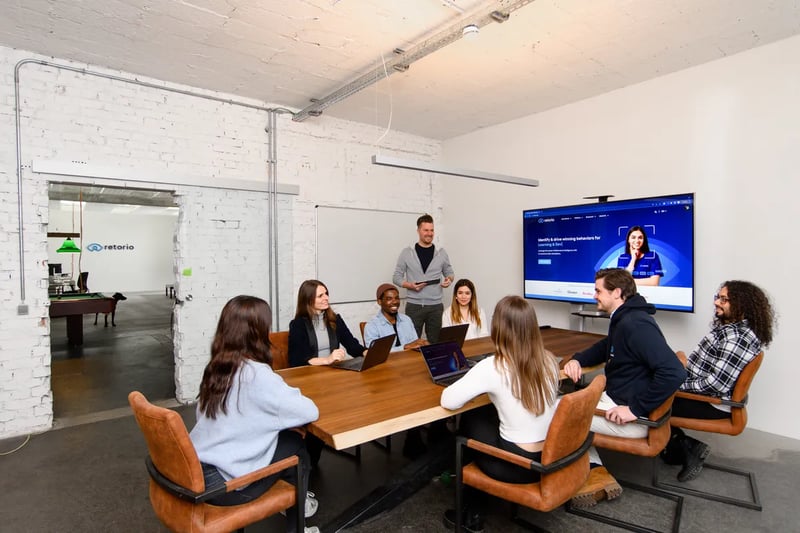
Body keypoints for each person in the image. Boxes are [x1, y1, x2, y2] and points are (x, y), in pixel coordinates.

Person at [189, 296, 320, 533]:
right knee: (297, 446)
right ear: (258, 332)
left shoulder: (217, 366)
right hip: (226, 488)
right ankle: (298, 526)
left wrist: (275, 424)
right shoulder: (257, 374)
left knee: (285, 437)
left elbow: (235, 417)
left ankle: (295, 502)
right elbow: (309, 410)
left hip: (197, 472)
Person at [563, 268, 685, 509]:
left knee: (557, 414)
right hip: (620, 401)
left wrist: (634, 409)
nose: (594, 296)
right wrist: (577, 359)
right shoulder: (626, 318)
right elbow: (607, 346)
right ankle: (596, 471)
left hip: (633, 418)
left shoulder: (635, 324)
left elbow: (675, 372)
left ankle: (586, 476)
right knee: (568, 404)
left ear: (617, 292)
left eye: (598, 291)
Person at [440, 295, 560, 532]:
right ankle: (472, 508)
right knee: (489, 412)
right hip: (547, 459)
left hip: (515, 466)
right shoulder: (548, 359)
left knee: (472, 419)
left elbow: (449, 401)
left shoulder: (493, 366)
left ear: (499, 328)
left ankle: (471, 513)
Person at [661, 281, 776, 482]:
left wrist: (675, 385)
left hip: (712, 404)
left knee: (646, 399)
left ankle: (686, 447)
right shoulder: (732, 330)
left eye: (724, 299)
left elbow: (716, 385)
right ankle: (677, 448)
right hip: (704, 394)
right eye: (718, 297)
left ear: (741, 305)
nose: (716, 302)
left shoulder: (736, 339)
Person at [393, 214, 454, 343]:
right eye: (426, 230)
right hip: (414, 306)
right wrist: (410, 285)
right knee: (412, 343)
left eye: (432, 230)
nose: (429, 233)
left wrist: (449, 279)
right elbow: (396, 277)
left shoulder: (441, 253)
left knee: (436, 343)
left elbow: (449, 272)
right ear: (418, 230)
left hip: (436, 307)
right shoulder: (407, 253)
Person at [288, 280, 367, 367]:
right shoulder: (298, 325)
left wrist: (365, 352)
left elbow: (352, 345)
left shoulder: (335, 319)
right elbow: (297, 360)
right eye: (320, 296)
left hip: (332, 370)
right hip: (311, 372)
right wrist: (327, 360)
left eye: (326, 294)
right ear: (308, 300)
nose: (326, 298)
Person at [364, 283, 429, 352]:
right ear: (379, 301)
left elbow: (415, 343)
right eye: (389, 299)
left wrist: (422, 344)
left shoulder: (406, 319)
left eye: (397, 298)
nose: (395, 302)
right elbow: (374, 352)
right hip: (389, 359)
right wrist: (404, 347)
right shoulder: (372, 325)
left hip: (410, 357)